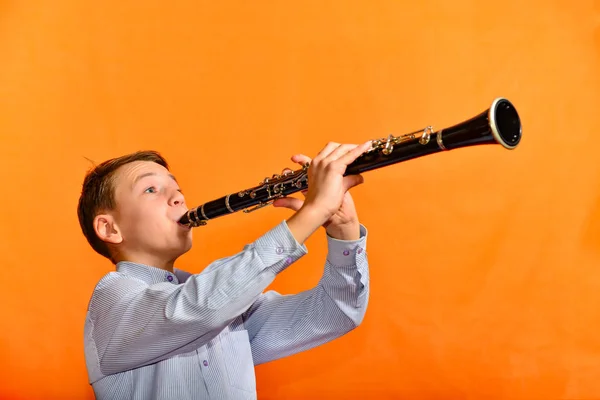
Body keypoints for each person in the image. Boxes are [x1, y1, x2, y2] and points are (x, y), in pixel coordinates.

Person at [78, 141, 372, 400]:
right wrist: (313, 211)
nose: (179, 198)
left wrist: (343, 229)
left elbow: (336, 312)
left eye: (177, 188)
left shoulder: (229, 305)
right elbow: (200, 307)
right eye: (151, 189)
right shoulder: (113, 299)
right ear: (109, 228)